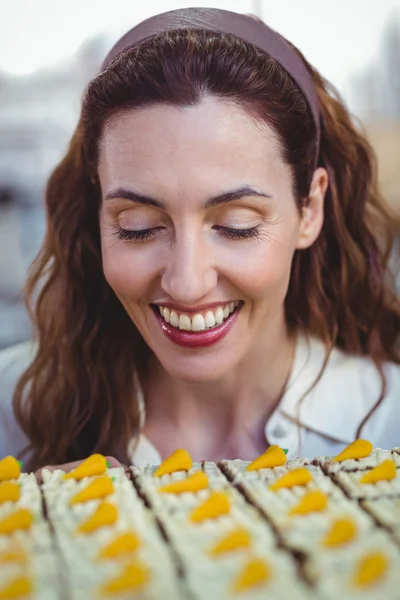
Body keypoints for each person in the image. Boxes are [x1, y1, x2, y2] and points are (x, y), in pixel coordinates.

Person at [0, 8, 399, 473]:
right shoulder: (11, 409)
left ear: (309, 210)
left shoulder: (390, 421)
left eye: (236, 224)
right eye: (138, 226)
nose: (187, 283)